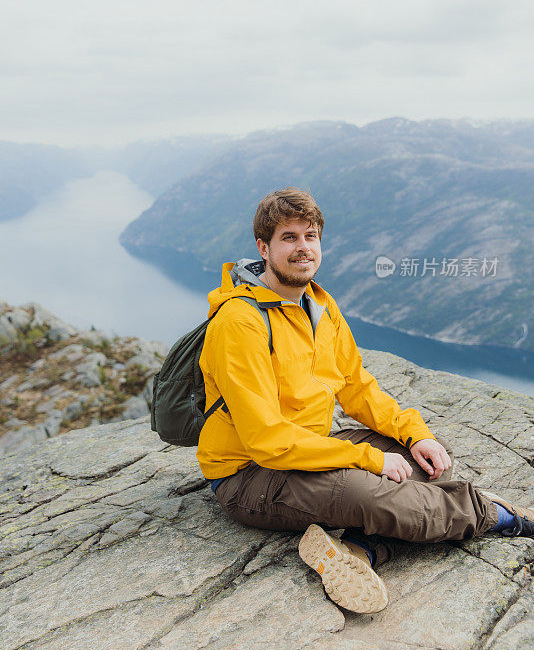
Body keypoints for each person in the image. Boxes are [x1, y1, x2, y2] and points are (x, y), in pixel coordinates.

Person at [196, 187, 534, 613]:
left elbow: (357, 387)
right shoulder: (240, 323)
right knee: (381, 495)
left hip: (308, 452)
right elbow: (267, 439)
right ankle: (502, 517)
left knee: (426, 463)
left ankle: (359, 550)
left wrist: (415, 435)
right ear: (264, 248)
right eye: (289, 238)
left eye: (311, 236)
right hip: (250, 475)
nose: (303, 248)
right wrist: (367, 460)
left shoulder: (319, 305)